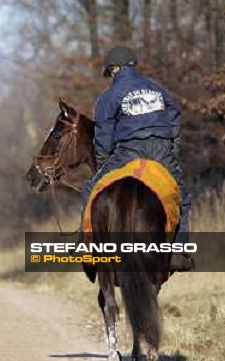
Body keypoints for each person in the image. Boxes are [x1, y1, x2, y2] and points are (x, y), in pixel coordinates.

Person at [80, 45, 194, 271]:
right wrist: (172, 148)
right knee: (182, 195)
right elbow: (174, 118)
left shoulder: (109, 96)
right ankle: (180, 252)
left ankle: (87, 248)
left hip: (128, 152)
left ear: (114, 69)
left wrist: (104, 166)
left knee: (90, 191)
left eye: (110, 72)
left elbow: (103, 137)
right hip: (161, 150)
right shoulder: (158, 88)